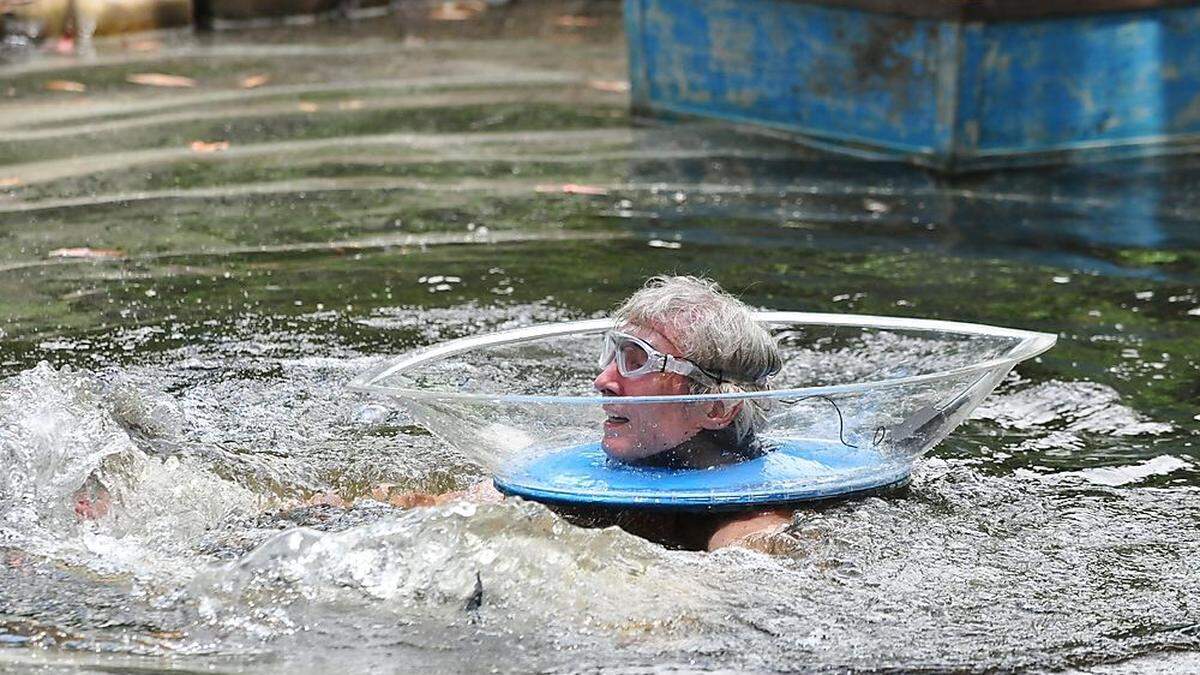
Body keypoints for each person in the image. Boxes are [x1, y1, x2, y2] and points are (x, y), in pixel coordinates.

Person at [377, 275, 796, 552]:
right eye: (610, 355)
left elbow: (739, 590)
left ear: (716, 407)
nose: (603, 379)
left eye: (636, 361)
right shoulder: (549, 486)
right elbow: (414, 514)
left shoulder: (752, 523)